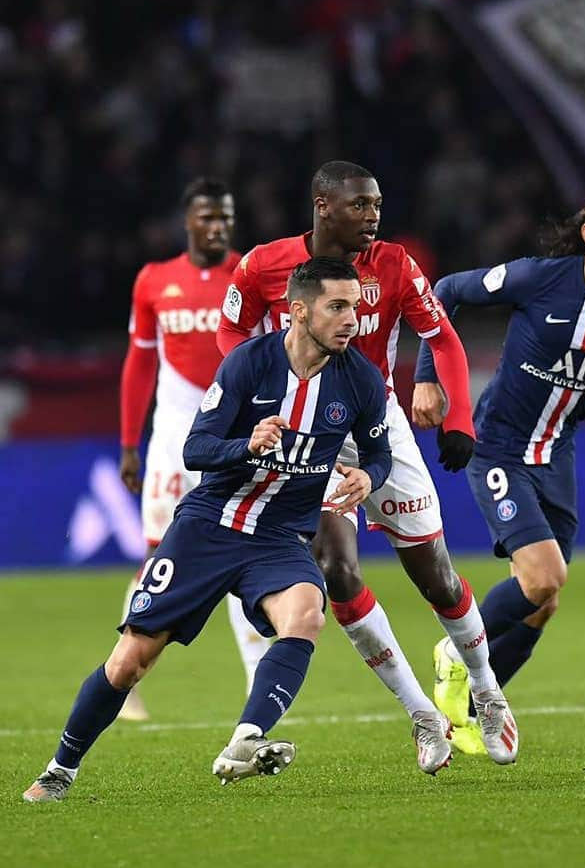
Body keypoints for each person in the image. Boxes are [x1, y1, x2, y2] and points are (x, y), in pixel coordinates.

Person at [23, 258, 392, 800]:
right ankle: (60, 769)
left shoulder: (359, 380)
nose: (351, 320)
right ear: (297, 311)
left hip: (276, 538)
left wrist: (367, 474)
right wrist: (248, 444)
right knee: (131, 660)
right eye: (337, 306)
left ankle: (247, 737)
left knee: (306, 614)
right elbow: (196, 448)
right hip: (209, 527)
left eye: (355, 307)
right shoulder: (249, 364)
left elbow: (380, 453)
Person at [218, 160, 518, 770]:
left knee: (434, 576)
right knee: (337, 570)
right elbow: (230, 332)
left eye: (377, 205)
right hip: (307, 435)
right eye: (360, 206)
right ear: (323, 204)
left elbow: (444, 339)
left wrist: (459, 418)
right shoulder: (263, 266)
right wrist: (259, 390)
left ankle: (487, 688)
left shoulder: (395, 265)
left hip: (377, 423)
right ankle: (422, 715)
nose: (373, 216)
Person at [412, 186, 585, 751]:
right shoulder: (540, 278)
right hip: (499, 447)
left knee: (543, 602)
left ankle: (476, 709)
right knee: (544, 577)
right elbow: (443, 293)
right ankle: (454, 650)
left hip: (557, 454)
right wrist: (427, 376)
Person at [117, 177, 271, 720]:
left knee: (240, 554)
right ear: (187, 221)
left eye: (225, 217)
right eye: (207, 217)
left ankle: (260, 684)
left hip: (235, 437)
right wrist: (128, 443)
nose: (217, 226)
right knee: (159, 555)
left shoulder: (250, 277)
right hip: (171, 440)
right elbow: (139, 363)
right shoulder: (155, 280)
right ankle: (126, 677)